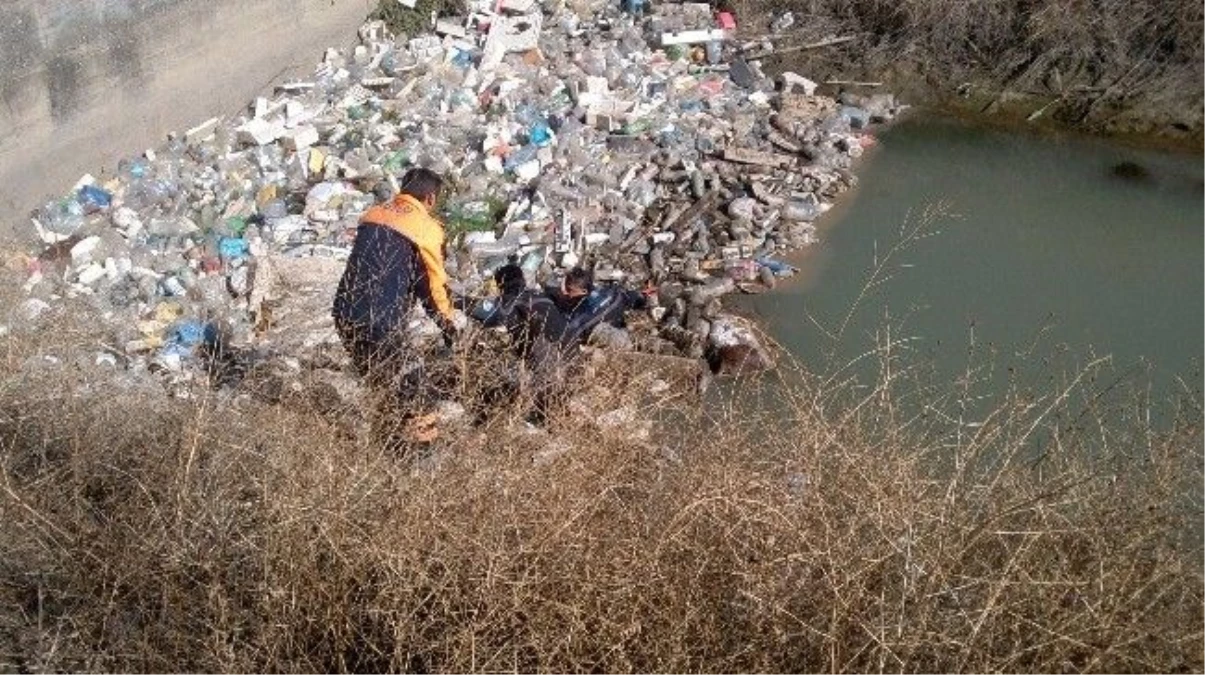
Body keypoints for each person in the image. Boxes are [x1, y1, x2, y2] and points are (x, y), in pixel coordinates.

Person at [332, 168, 457, 441]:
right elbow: (432, 286)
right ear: (431, 199)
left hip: (344, 314)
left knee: (385, 384)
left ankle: (384, 447)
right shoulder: (425, 228)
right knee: (417, 387)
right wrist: (448, 325)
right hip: (381, 320)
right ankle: (420, 461)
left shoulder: (373, 215)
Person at [483, 263, 579, 424]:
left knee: (496, 371)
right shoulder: (540, 296)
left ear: (501, 285)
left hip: (553, 377)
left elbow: (496, 320)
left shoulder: (511, 303)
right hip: (576, 365)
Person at [553, 267, 651, 347]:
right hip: (620, 310)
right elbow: (631, 296)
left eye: (569, 289)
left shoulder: (584, 314)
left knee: (604, 333)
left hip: (612, 332)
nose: (565, 292)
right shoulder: (609, 290)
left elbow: (570, 329)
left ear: (584, 291)